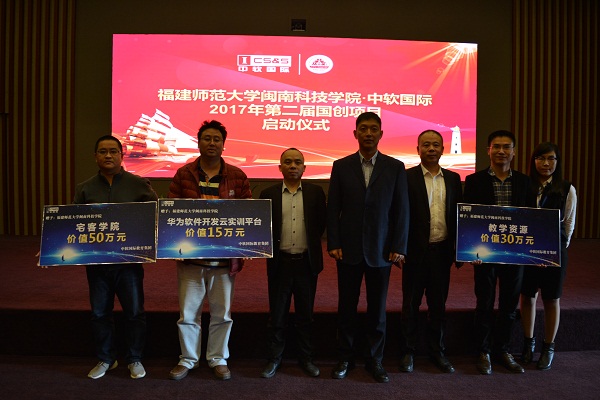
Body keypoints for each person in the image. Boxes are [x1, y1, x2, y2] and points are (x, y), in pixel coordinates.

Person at [327, 112, 409, 383]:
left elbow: (401, 210)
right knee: (346, 308)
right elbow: (333, 208)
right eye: (363, 129)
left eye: (374, 129)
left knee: (377, 310)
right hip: (348, 249)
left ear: (381, 134)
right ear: (355, 134)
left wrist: (398, 245)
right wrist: (334, 242)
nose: (369, 133)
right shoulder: (341, 166)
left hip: (382, 250)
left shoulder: (395, 167)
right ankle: (345, 358)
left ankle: (375, 360)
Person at [167, 120, 251, 381]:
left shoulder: (237, 176)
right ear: (198, 142)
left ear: (224, 145)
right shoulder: (184, 174)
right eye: (207, 138)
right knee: (188, 314)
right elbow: (171, 211)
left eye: (217, 139)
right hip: (191, 259)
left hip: (225, 260)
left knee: (222, 314)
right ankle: (188, 359)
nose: (212, 143)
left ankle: (218, 358)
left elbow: (249, 214)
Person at [74, 135, 158, 380]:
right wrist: (53, 247)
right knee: (100, 313)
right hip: (97, 264)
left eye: (113, 151)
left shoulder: (139, 184)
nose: (108, 155)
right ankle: (106, 359)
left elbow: (155, 217)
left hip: (129, 263)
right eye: (103, 151)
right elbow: (74, 223)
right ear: (95, 157)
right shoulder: (85, 188)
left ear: (122, 155)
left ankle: (134, 358)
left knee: (134, 313)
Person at [463, 130, 535, 375]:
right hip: (484, 253)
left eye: (507, 147)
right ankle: (483, 351)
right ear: (488, 150)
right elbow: (468, 219)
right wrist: (469, 251)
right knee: (484, 302)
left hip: (516, 253)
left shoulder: (525, 182)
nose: (501, 151)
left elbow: (532, 218)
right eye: (496, 146)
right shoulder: (474, 181)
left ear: (514, 152)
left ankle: (502, 349)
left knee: (509, 305)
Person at [259, 148, 327, 378]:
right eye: (287, 162)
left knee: (305, 316)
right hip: (280, 263)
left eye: (298, 162)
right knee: (277, 315)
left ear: (304, 168)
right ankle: (274, 359)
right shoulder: (268, 193)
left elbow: (320, 225)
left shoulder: (315, 193)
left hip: (306, 263)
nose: (293, 166)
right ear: (280, 167)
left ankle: (306, 358)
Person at [400, 130, 463, 374]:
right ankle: (408, 351)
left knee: (438, 306)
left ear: (443, 149)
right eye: (426, 145)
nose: (431, 149)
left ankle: (438, 351)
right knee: (411, 305)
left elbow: (459, 216)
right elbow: (399, 215)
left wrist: (461, 251)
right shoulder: (406, 178)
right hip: (415, 253)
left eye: (436, 145)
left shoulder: (454, 179)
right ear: (418, 149)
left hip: (442, 252)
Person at [520, 142, 577, 370]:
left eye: (551, 158)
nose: (545, 163)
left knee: (552, 298)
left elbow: (568, 223)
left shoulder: (566, 188)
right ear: (533, 161)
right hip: (526, 251)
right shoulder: (526, 186)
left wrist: (553, 251)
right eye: (540, 158)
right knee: (528, 296)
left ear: (557, 161)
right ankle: (528, 343)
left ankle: (548, 347)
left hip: (554, 252)